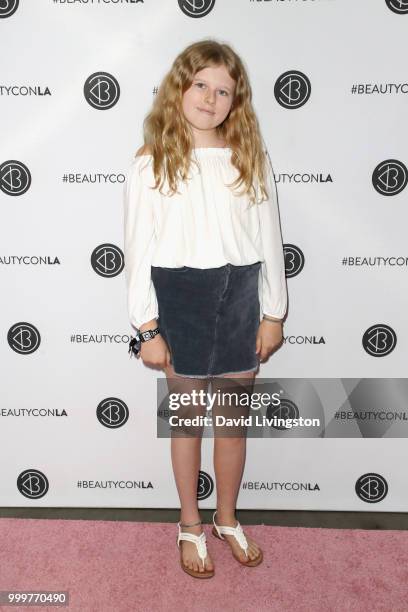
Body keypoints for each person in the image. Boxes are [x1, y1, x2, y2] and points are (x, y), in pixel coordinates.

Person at [123, 39, 288, 579]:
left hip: (241, 298)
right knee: (189, 424)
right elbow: (138, 249)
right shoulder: (150, 163)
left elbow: (269, 239)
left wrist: (273, 313)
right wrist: (147, 326)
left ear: (235, 102)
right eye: (201, 85)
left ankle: (226, 518)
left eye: (223, 90)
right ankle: (189, 524)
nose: (210, 98)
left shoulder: (250, 158)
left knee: (233, 426)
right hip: (180, 302)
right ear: (179, 87)